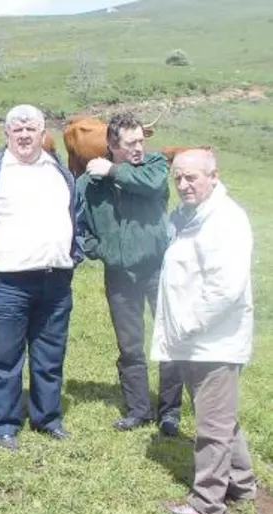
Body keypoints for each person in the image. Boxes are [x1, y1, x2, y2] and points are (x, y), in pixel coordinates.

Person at [0, 104, 82, 449]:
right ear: (7, 134)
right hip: (7, 282)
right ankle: (3, 424)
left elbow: (77, 217)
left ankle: (47, 417)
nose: (25, 135)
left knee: (50, 355)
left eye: (32, 129)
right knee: (5, 357)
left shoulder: (58, 171)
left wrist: (73, 255)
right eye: (18, 129)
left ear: (43, 134)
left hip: (55, 281)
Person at [152, 149, 256, 514]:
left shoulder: (226, 220)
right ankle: (242, 484)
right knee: (219, 416)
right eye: (177, 178)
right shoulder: (193, 216)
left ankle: (207, 504)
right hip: (196, 340)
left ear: (213, 175)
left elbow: (225, 288)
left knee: (212, 425)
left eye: (191, 177)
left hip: (214, 341)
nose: (183, 184)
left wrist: (187, 324)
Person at [77, 112, 183, 435]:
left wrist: (113, 170)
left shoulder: (154, 166)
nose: (139, 147)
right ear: (112, 144)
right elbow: (80, 225)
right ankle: (138, 408)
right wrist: (103, 249)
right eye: (131, 142)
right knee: (130, 344)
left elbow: (152, 186)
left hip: (156, 269)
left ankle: (170, 412)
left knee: (168, 340)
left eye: (142, 140)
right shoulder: (88, 183)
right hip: (120, 273)